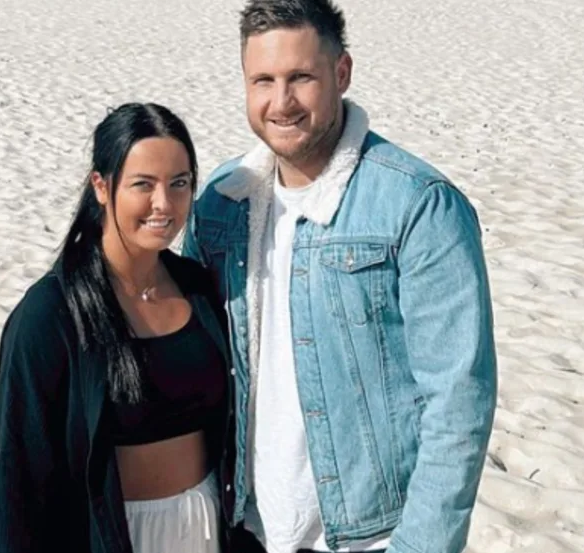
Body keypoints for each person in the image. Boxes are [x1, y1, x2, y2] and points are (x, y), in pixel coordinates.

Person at [182, 1, 498, 552]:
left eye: (300, 77)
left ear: (342, 73)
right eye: (263, 80)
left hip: (370, 538)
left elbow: (458, 404)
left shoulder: (418, 205)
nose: (281, 103)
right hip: (246, 528)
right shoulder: (221, 202)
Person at [0, 102, 236, 553]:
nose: (164, 204)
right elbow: (18, 479)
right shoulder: (49, 316)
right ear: (101, 186)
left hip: (206, 523)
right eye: (143, 184)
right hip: (114, 535)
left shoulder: (198, 287)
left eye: (180, 184)